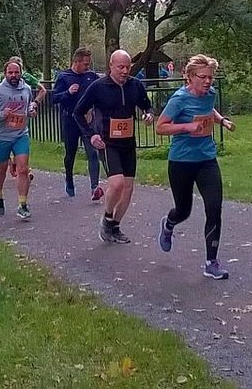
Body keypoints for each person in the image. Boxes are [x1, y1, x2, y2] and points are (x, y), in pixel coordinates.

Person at [154, 54, 235, 279]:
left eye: (210, 77)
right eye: (203, 77)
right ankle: (169, 224)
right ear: (190, 77)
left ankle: (211, 262)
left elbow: (209, 110)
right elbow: (160, 127)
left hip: (206, 159)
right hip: (181, 161)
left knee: (214, 207)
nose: (208, 81)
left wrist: (222, 120)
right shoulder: (179, 99)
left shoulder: (211, 94)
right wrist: (187, 127)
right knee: (183, 210)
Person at [73, 49, 154, 243]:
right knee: (117, 183)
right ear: (111, 66)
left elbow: (146, 105)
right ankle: (107, 218)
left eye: (127, 67)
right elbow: (78, 112)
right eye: (120, 67)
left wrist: (149, 114)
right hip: (107, 142)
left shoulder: (135, 85)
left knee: (128, 188)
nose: (124, 71)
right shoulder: (98, 87)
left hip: (128, 143)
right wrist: (91, 135)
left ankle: (114, 226)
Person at [0, 59, 38, 220]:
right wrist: (1, 114)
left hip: (21, 135)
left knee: (23, 169)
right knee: (1, 168)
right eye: (10, 72)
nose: (13, 75)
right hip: (2, 136)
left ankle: (23, 204)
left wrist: (31, 112)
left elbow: (27, 108)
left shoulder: (26, 89)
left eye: (16, 72)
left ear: (21, 73)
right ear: (5, 73)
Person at [51, 47, 104, 199]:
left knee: (93, 153)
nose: (87, 67)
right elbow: (53, 99)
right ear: (76, 61)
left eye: (88, 64)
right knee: (70, 154)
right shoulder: (64, 77)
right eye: (85, 64)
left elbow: (100, 92)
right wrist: (67, 92)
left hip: (87, 121)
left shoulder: (91, 76)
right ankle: (69, 180)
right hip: (70, 121)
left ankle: (94, 187)